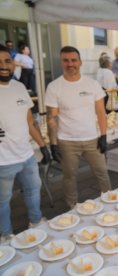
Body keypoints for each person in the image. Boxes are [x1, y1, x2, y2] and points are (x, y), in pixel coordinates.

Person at [45, 46, 111, 209]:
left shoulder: (92, 85)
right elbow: (52, 118)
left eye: (73, 60)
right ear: (61, 62)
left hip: (92, 139)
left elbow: (101, 113)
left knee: (102, 172)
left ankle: (110, 200)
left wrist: (103, 136)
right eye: (66, 60)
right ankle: (72, 208)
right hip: (67, 142)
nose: (70, 64)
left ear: (80, 62)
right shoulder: (54, 87)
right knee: (69, 177)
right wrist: (53, 144)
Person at [0, 45, 50, 241]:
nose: (4, 66)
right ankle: (5, 234)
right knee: (3, 200)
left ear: (13, 64)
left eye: (7, 61)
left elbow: (29, 121)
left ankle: (35, 221)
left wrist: (43, 146)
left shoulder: (19, 87)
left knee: (32, 190)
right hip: (3, 161)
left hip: (27, 155)